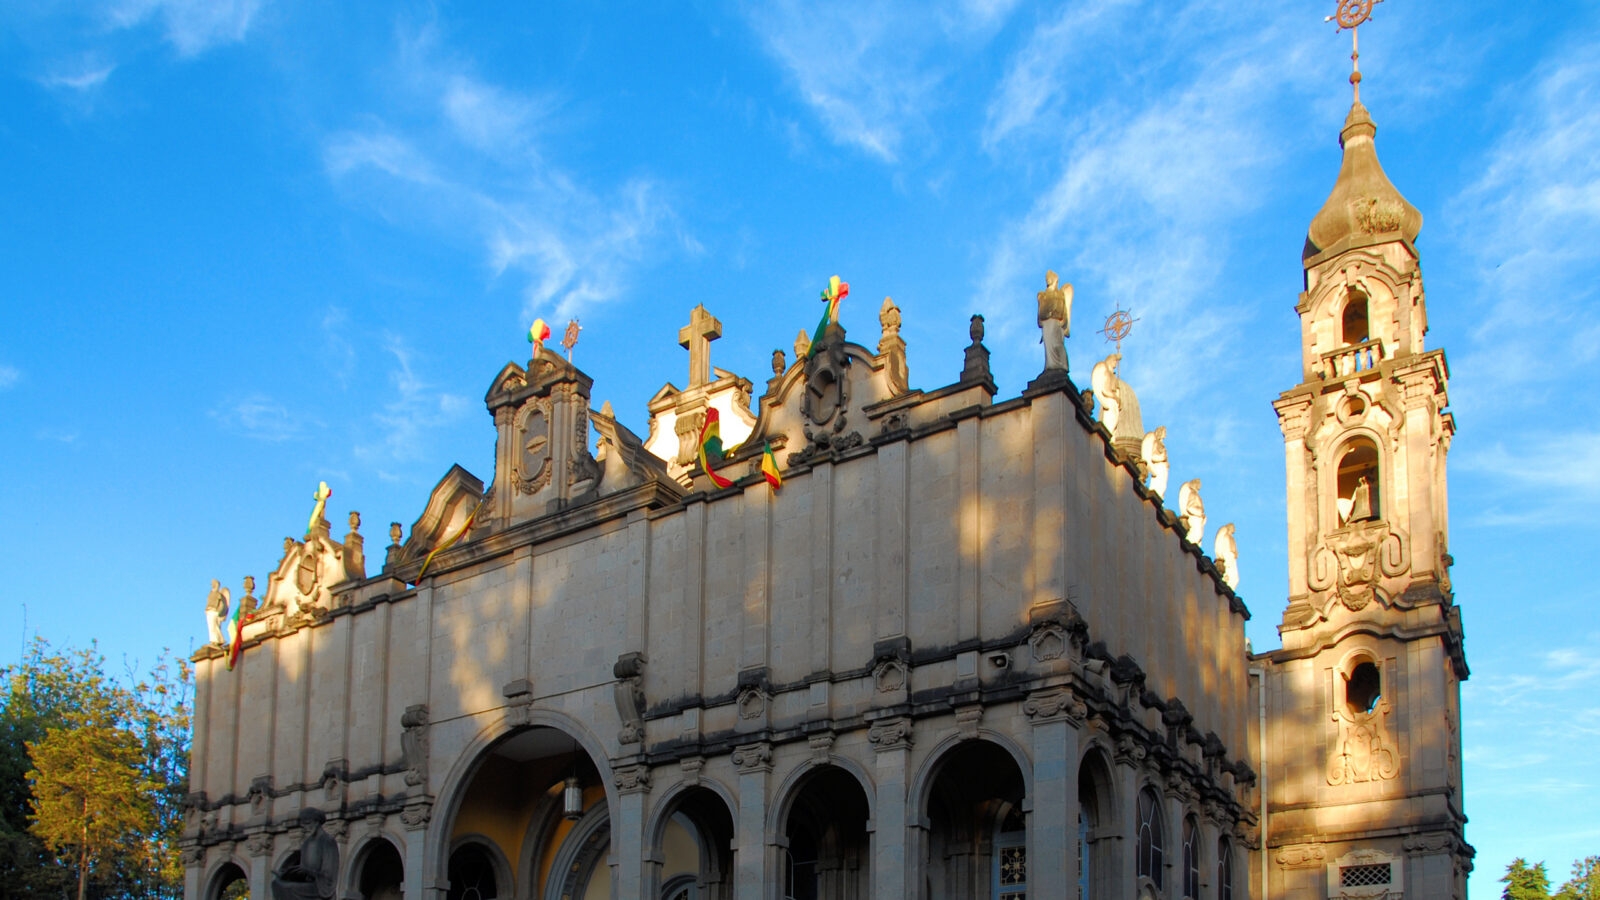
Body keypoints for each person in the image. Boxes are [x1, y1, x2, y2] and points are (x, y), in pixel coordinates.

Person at [271, 807, 340, 900]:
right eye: (304, 825)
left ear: (317, 822)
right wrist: (289, 874)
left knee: (290, 888)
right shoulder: (306, 843)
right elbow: (303, 871)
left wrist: (309, 872)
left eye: (308, 824)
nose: (306, 828)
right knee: (276, 884)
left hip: (320, 887)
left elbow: (329, 876)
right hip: (307, 884)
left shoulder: (327, 841)